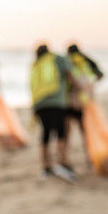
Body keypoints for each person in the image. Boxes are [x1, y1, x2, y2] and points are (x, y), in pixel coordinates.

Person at [30, 44, 80, 182]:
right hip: (56, 102)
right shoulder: (56, 59)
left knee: (45, 134)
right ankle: (62, 163)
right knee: (60, 132)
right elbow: (69, 75)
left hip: (39, 104)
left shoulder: (36, 65)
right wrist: (80, 88)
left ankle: (45, 167)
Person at [66, 43, 102, 167]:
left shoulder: (68, 61)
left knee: (67, 132)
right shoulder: (86, 60)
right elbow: (100, 74)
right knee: (85, 131)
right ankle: (89, 157)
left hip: (70, 101)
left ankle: (65, 159)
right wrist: (90, 86)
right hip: (85, 101)